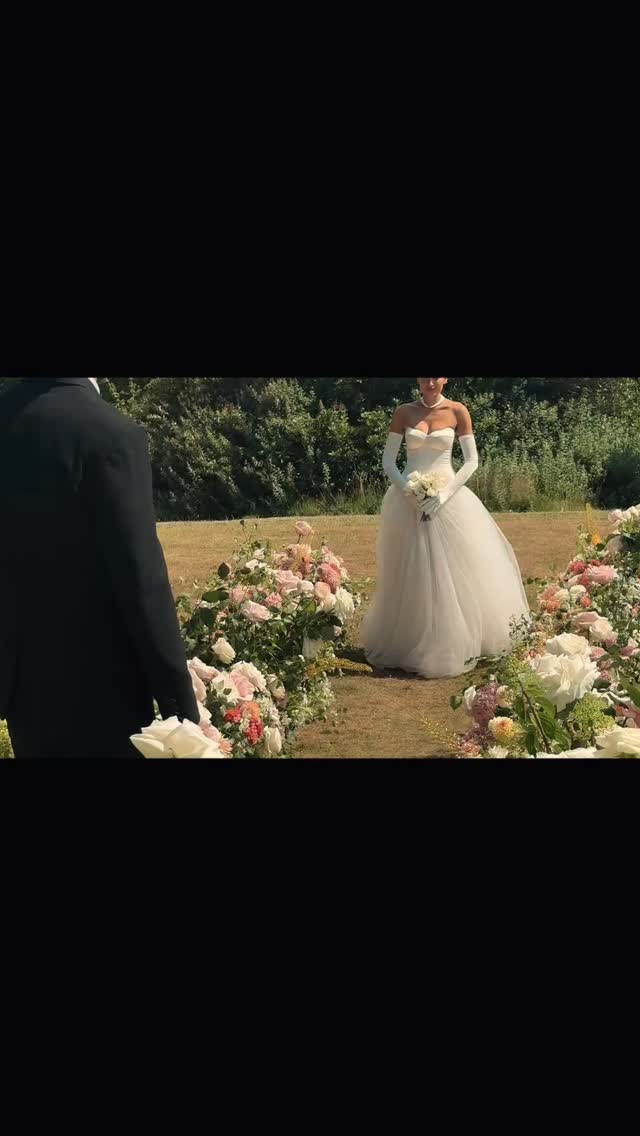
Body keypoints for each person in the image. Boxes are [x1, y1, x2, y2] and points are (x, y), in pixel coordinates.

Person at [0, 377, 199, 757]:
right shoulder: (111, 435)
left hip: (22, 688)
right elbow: (142, 579)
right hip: (103, 689)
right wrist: (181, 712)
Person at [361, 377, 530, 678]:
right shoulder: (404, 412)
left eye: (435, 376)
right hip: (406, 499)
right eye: (424, 376)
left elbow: (471, 461)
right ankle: (409, 639)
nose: (430, 381)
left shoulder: (457, 411)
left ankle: (453, 639)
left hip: (447, 495)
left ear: (445, 379)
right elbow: (389, 461)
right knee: (408, 569)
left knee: (455, 569)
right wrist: (409, 493)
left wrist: (443, 495)